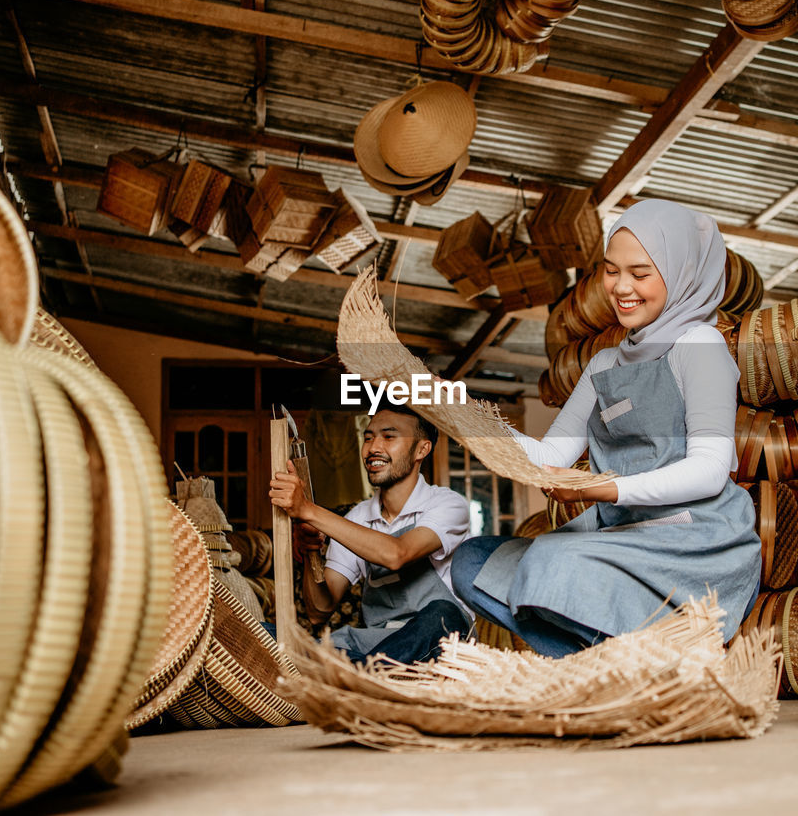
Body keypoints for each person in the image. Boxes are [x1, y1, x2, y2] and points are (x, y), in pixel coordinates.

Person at [450, 198, 760, 658]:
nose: (621, 287)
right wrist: (461, 411)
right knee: (472, 562)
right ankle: (602, 664)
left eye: (641, 273)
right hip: (619, 536)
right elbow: (549, 457)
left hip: (692, 543)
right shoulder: (604, 363)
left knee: (551, 559)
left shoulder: (699, 344)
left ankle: (651, 654)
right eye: (611, 270)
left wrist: (600, 490)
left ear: (678, 275)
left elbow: (710, 470)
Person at [269, 400, 472, 664]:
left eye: (389, 437)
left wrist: (308, 510)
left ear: (421, 449)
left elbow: (397, 553)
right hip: (372, 648)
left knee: (443, 614)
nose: (373, 448)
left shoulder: (447, 504)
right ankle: (364, 675)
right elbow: (319, 610)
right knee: (268, 634)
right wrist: (311, 552)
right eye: (368, 437)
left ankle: (358, 678)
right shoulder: (358, 517)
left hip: (436, 648)